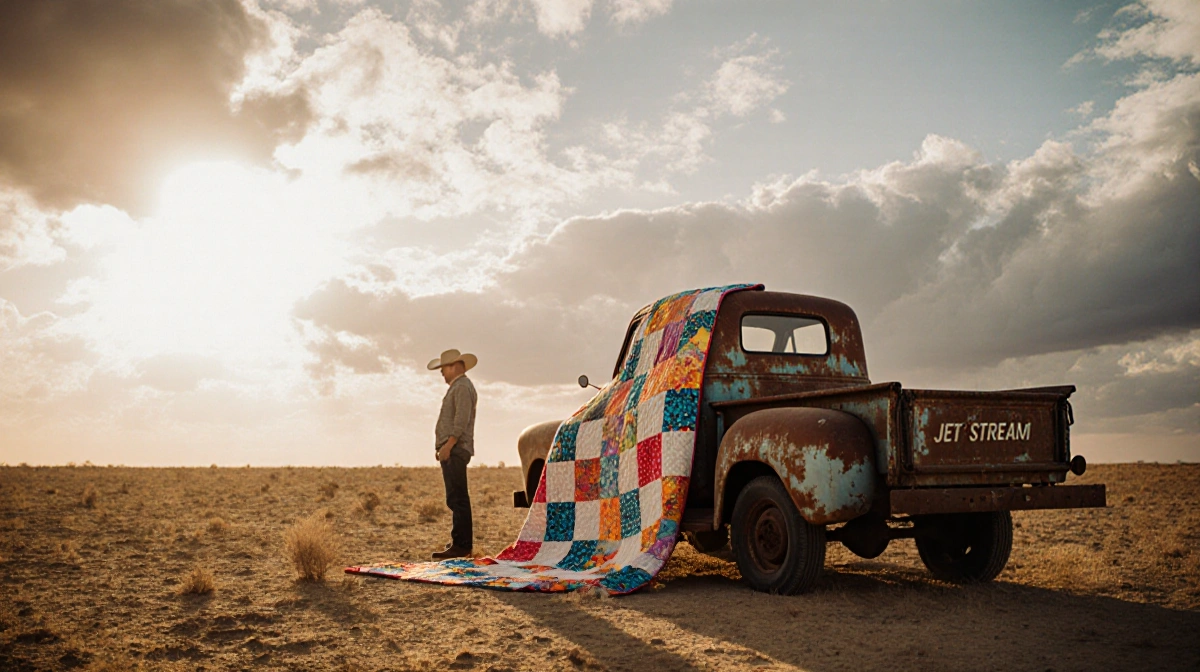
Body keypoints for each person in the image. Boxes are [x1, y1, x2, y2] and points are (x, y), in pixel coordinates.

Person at [427, 348, 478, 560]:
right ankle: (459, 543)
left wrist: (448, 445)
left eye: (443, 368)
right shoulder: (459, 387)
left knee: (458, 498)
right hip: (452, 448)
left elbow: (461, 419)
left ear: (453, 366)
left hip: (455, 448)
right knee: (455, 497)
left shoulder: (462, 387)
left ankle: (462, 545)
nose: (441, 373)